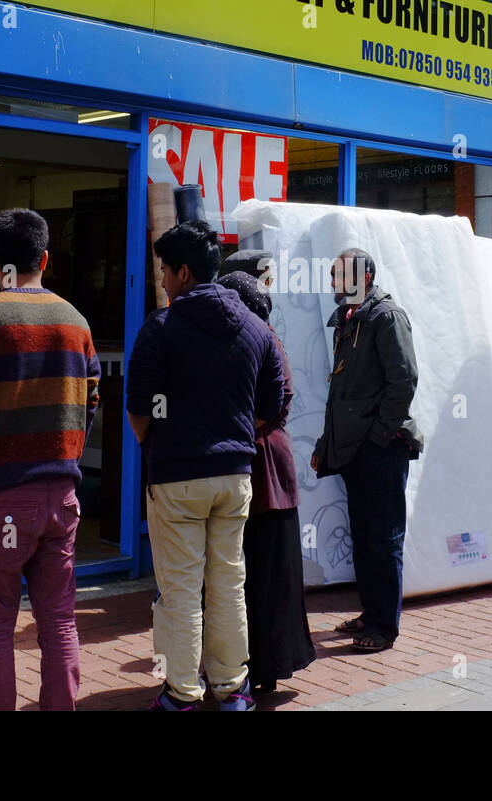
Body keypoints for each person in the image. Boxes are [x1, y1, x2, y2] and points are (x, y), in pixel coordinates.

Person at [0, 208, 100, 710]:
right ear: (45, 258)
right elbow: (91, 399)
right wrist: (66, 453)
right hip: (60, 495)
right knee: (58, 620)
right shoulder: (76, 322)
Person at [126, 220, 285, 711]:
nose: (164, 281)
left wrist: (158, 437)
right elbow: (271, 405)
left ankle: (181, 693)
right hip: (236, 475)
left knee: (180, 590)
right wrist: (234, 431)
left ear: (185, 272)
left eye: (165, 272)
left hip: (177, 475)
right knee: (227, 583)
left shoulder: (162, 327)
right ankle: (232, 689)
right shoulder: (258, 330)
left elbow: (142, 406)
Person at [311, 248, 422, 653]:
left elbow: (404, 382)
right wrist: (328, 446)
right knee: (363, 536)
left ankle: (383, 628)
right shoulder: (348, 319)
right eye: (333, 273)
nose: (333, 281)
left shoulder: (386, 317)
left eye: (340, 274)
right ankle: (370, 613)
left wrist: (376, 437)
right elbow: (340, 393)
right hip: (355, 451)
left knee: (384, 538)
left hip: (381, 450)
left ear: (366, 277)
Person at [217, 270, 316, 695]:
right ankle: (261, 665)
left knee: (264, 575)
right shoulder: (259, 338)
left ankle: (267, 665)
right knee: (259, 574)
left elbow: (276, 402)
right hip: (261, 471)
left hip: (264, 472)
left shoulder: (263, 341)